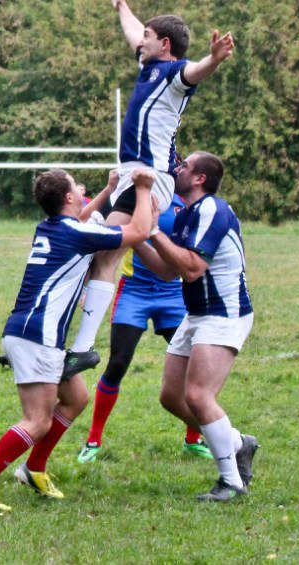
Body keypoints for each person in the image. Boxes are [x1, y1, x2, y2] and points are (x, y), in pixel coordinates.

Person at [0, 167, 155, 513]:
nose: (81, 190)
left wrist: (108, 190)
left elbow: (78, 218)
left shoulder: (51, 227)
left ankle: (33, 468)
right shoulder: (78, 234)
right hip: (37, 337)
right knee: (37, 420)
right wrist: (142, 188)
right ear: (67, 197)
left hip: (28, 332)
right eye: (76, 188)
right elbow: (138, 232)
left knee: (76, 398)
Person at [64, 0, 234, 377]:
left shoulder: (174, 74)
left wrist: (214, 59)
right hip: (131, 174)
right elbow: (133, 30)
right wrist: (121, 6)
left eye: (148, 37)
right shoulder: (148, 64)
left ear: (165, 45)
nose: (140, 40)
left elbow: (197, 70)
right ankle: (64, 341)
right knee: (91, 249)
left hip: (149, 176)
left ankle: (81, 348)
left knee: (104, 252)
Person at [137, 151, 258, 502]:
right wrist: (136, 239)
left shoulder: (212, 210)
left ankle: (231, 482)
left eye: (184, 166)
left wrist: (153, 230)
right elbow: (168, 271)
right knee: (172, 397)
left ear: (199, 178)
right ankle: (238, 443)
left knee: (198, 396)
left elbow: (191, 269)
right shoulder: (187, 212)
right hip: (198, 313)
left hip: (223, 312)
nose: (177, 169)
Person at [77, 193, 212, 463]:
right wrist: (87, 286)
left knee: (192, 366)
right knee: (117, 363)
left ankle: (193, 439)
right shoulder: (132, 197)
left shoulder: (183, 201)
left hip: (174, 293)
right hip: (134, 290)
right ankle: (93, 440)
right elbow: (105, 241)